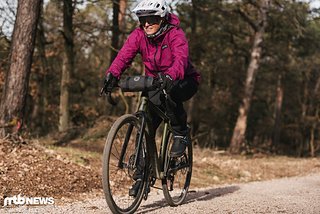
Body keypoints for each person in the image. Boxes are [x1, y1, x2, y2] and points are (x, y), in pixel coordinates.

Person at [103, 0, 200, 196]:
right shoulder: (139, 34)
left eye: (151, 19)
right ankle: (142, 176)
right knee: (144, 126)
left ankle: (180, 132)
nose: (146, 24)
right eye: (143, 19)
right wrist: (112, 74)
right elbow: (124, 55)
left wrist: (170, 75)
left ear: (162, 18)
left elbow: (181, 59)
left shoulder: (175, 33)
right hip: (156, 82)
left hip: (183, 79)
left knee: (172, 93)